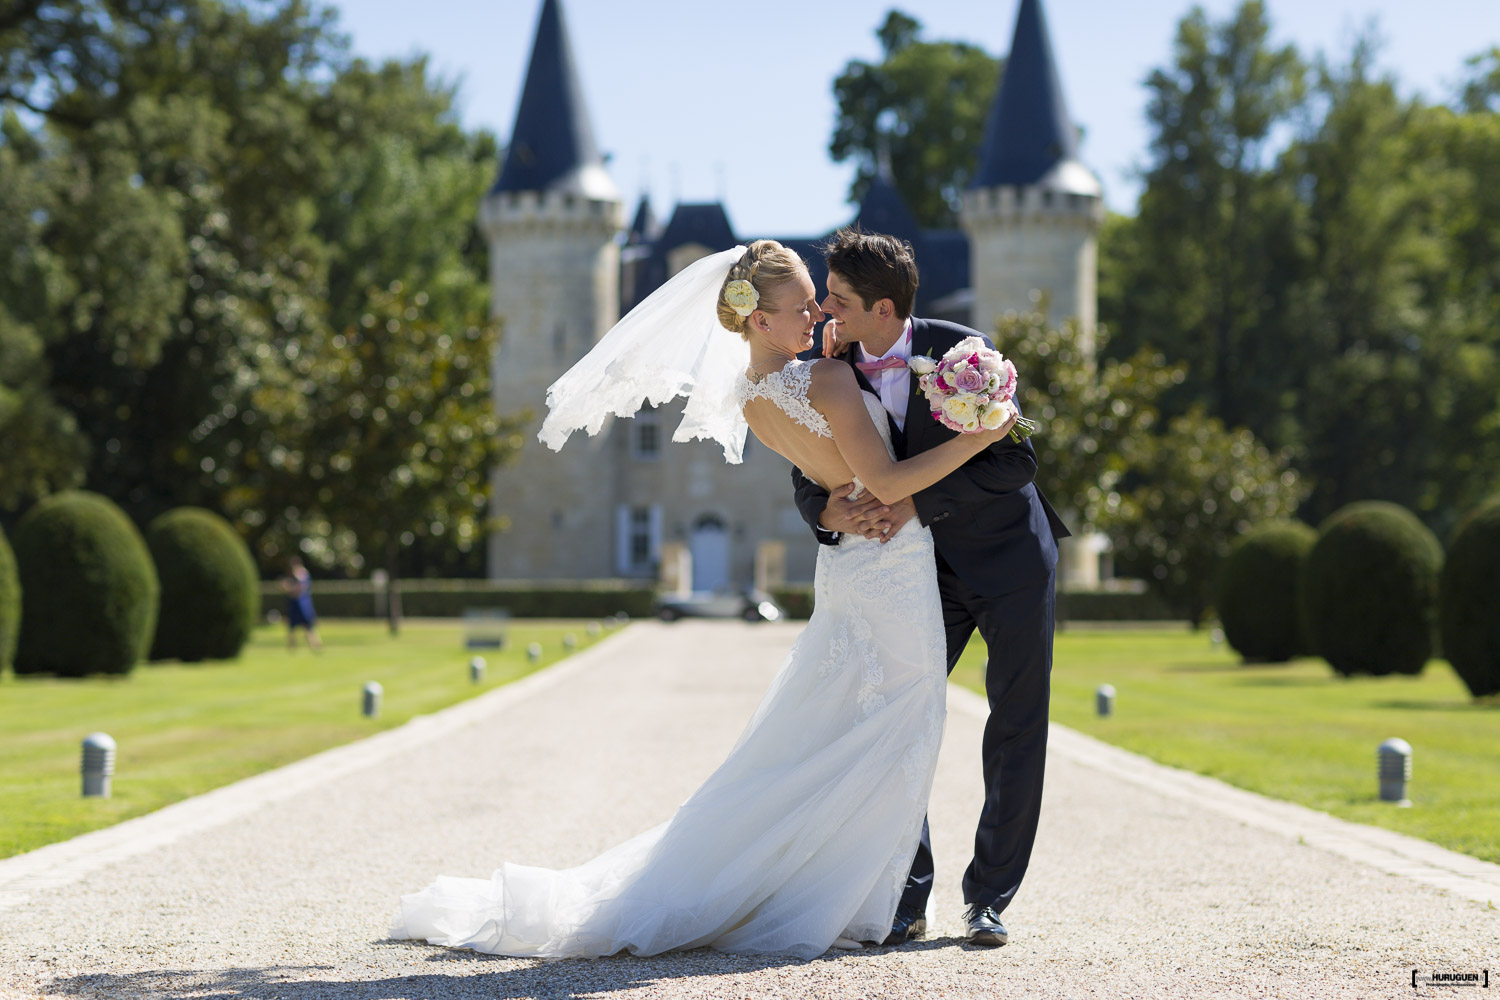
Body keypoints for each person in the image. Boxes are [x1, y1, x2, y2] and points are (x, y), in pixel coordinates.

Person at [390, 240, 1017, 959]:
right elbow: (886, 481)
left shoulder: (753, 399)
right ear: (757, 320)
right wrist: (981, 435)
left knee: (839, 736)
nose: (816, 312)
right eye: (802, 305)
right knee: (889, 729)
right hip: (892, 569)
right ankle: (852, 897)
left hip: (852, 571)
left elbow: (835, 481)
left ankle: (854, 893)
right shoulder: (830, 383)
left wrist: (837, 503)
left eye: (818, 299)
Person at [792, 228, 1069, 949]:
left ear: (885, 309)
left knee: (1015, 725)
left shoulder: (964, 355)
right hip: (919, 574)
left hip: (1011, 564)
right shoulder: (829, 364)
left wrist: (912, 501)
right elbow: (807, 464)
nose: (825, 308)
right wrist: (825, 511)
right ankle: (908, 898)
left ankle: (989, 899)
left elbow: (1016, 466)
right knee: (892, 722)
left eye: (840, 299)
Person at [279, 556, 321, 651]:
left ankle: (316, 646)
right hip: (294, 604)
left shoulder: (302, 573)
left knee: (308, 627)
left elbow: (300, 589)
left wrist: (289, 588)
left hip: (302, 604)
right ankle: (291, 648)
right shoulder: (292, 575)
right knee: (291, 628)